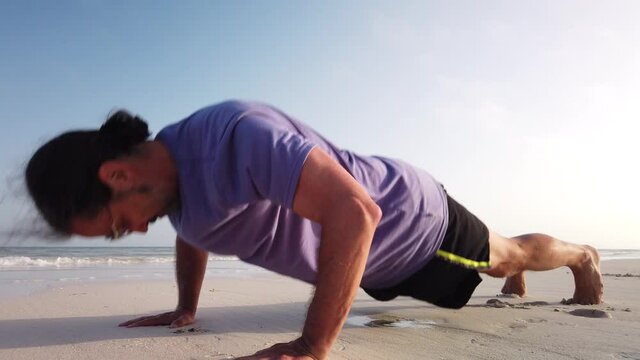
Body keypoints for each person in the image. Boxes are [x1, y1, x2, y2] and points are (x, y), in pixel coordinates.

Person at [25, 100, 603, 360]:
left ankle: (580, 257)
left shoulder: (235, 136)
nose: (133, 229)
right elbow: (193, 232)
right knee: (498, 266)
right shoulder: (174, 194)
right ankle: (518, 278)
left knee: (509, 255)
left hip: (411, 225)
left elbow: (356, 213)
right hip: (370, 264)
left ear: (118, 174)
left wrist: (311, 346)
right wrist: (185, 309)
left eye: (115, 228)